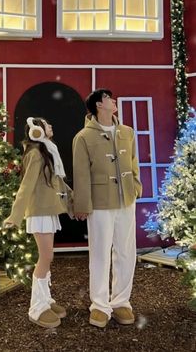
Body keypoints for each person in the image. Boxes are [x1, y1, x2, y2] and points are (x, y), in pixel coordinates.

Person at [72, 89, 142, 328]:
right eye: (109, 99)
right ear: (99, 105)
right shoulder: (83, 137)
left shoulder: (127, 132)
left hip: (126, 201)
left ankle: (122, 301)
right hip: (100, 203)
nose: (114, 102)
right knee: (100, 254)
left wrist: (136, 186)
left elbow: (133, 163)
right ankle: (100, 305)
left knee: (126, 252)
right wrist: (82, 204)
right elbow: (80, 175)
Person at [3, 117, 72, 328]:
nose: (50, 126)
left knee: (47, 258)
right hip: (39, 212)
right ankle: (37, 307)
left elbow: (59, 184)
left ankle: (46, 299)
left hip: (48, 211)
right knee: (46, 257)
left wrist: (74, 204)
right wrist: (15, 216)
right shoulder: (35, 154)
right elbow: (26, 186)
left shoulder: (49, 152)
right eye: (45, 124)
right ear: (36, 132)